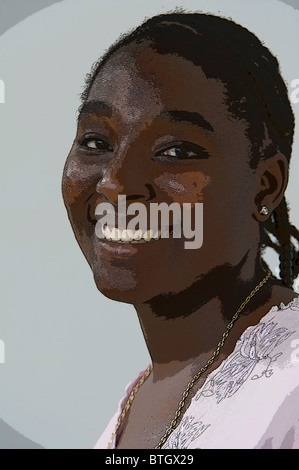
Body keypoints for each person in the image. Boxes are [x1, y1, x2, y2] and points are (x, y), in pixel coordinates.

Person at [61, 11, 299, 449]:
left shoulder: (291, 384)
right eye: (97, 142)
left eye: (177, 150)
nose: (115, 181)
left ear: (265, 186)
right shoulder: (137, 398)